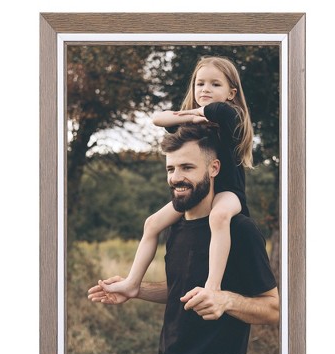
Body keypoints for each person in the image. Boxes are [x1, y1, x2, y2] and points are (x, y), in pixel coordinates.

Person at [88, 124, 279, 354]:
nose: (176, 178)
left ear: (214, 168)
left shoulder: (240, 229)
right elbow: (182, 289)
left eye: (187, 167)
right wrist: (136, 290)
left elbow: (273, 309)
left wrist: (226, 300)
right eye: (170, 169)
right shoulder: (175, 227)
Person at [104, 56, 254, 297]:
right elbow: (158, 118)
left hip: (228, 190)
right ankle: (132, 282)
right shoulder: (196, 122)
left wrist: (190, 113)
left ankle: (212, 287)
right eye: (200, 83)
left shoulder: (229, 114)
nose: (205, 89)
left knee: (218, 216)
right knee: (152, 223)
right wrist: (191, 117)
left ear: (231, 93)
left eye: (215, 84)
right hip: (200, 190)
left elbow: (212, 111)